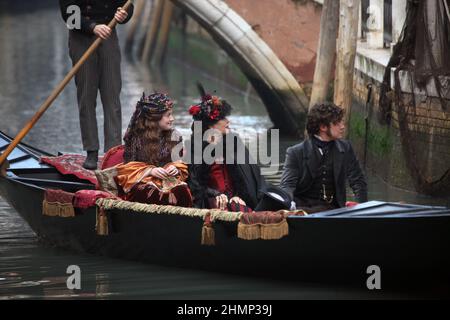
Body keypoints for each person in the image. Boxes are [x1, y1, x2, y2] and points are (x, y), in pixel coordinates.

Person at [59, 0, 134, 169]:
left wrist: (123, 15)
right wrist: (92, 27)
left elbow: (127, 6)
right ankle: (91, 151)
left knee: (112, 96)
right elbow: (69, 15)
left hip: (108, 35)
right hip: (81, 39)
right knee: (86, 97)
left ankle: (112, 152)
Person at [186, 84, 267, 212]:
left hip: (235, 200)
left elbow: (248, 179)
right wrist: (216, 194)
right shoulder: (194, 149)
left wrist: (237, 196)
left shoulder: (234, 144)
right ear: (210, 127)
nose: (228, 121)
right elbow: (195, 186)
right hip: (210, 201)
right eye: (223, 118)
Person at [280, 102, 368, 213]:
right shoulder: (295, 152)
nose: (342, 126)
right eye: (337, 123)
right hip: (301, 209)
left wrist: (363, 209)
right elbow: (287, 185)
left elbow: (358, 181)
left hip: (333, 210)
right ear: (323, 127)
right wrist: (289, 205)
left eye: (342, 122)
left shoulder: (345, 148)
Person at [114, 93, 192, 207]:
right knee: (152, 192)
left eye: (172, 114)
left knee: (182, 191)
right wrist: (149, 171)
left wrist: (175, 168)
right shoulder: (136, 138)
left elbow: (181, 164)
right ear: (155, 118)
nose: (172, 119)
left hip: (168, 181)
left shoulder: (175, 136)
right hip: (143, 181)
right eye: (168, 115)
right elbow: (127, 169)